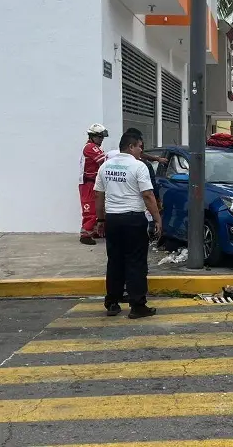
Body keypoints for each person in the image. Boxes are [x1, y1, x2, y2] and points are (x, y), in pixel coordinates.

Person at [94, 130, 162, 319]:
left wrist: (100, 220)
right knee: (136, 261)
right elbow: (148, 195)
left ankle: (112, 302)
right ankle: (137, 305)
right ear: (130, 146)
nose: (141, 150)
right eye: (140, 146)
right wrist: (157, 218)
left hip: (113, 219)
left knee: (114, 260)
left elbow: (98, 196)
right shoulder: (139, 167)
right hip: (133, 219)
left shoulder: (105, 167)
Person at [79, 124, 110, 245]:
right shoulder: (90, 147)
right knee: (90, 208)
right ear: (92, 136)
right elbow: (104, 161)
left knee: (99, 207)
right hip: (88, 183)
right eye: (100, 136)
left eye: (102, 137)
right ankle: (85, 234)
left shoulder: (95, 147)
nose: (102, 139)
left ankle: (95, 230)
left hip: (94, 182)